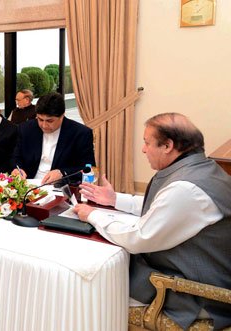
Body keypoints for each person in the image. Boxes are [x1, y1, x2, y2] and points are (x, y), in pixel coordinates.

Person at [74, 113, 231, 330]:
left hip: (196, 295)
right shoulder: (202, 169)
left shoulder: (186, 189)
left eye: (147, 142)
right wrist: (114, 199)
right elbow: (166, 207)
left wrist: (91, 214)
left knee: (93, 285)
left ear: (168, 146)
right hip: (206, 274)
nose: (143, 149)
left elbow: (139, 238)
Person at [13, 92, 95, 184]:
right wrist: (17, 169)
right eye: (40, 119)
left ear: (62, 116)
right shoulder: (26, 129)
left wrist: (62, 173)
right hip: (28, 183)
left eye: (49, 121)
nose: (44, 125)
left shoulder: (80, 133)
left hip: (61, 187)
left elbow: (88, 168)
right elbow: (16, 157)